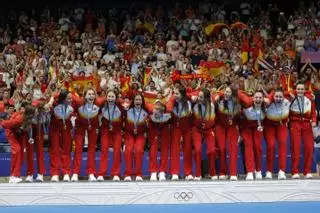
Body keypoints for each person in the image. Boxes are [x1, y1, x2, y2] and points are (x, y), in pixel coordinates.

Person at [215, 86, 251, 181]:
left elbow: (248, 102)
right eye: (225, 91)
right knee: (222, 148)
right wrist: (220, 94)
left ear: (233, 94)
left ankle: (233, 172)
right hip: (220, 126)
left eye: (228, 92)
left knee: (233, 149)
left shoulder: (238, 103)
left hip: (232, 126)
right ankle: (223, 172)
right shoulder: (220, 99)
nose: (225, 93)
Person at [71, 87, 105, 182]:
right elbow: (69, 94)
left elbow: (111, 97)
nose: (91, 96)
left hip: (93, 126)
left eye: (93, 94)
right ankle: (75, 173)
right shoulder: (79, 101)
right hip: (80, 126)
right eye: (89, 94)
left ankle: (91, 173)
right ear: (84, 96)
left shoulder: (98, 102)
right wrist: (52, 98)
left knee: (92, 150)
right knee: (78, 149)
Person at [1, 102, 36, 183]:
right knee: (17, 150)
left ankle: (14, 175)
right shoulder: (19, 118)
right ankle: (13, 176)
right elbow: (5, 124)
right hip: (12, 133)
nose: (33, 115)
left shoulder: (27, 117)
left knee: (20, 154)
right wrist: (3, 122)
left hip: (19, 134)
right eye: (32, 113)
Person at [289, 82, 317, 179]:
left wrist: (313, 121)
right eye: (298, 89)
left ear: (305, 90)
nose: (300, 91)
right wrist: (292, 92)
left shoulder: (309, 99)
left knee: (309, 147)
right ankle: (294, 171)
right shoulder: (291, 97)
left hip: (306, 124)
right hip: (295, 124)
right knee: (295, 147)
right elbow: (284, 92)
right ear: (295, 90)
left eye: (302, 89)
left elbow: (313, 113)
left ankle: (307, 171)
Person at [167, 87, 193, 180]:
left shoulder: (188, 103)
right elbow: (168, 110)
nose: (175, 95)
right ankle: (174, 172)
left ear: (182, 95)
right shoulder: (172, 102)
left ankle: (188, 173)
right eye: (174, 93)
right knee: (175, 149)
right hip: (175, 127)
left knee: (188, 149)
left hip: (186, 127)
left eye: (177, 93)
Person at [264, 88, 290, 180]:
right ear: (273, 96)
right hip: (269, 126)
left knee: (282, 144)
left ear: (283, 96)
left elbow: (294, 92)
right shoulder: (268, 101)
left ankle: (282, 171)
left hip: (281, 125)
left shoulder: (288, 100)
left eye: (280, 97)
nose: (278, 98)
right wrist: (270, 97)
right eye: (276, 96)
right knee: (270, 146)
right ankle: (269, 171)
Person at [97, 89, 123, 181]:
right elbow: (98, 117)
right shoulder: (102, 106)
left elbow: (124, 118)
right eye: (109, 96)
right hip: (105, 130)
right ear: (106, 97)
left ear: (115, 98)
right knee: (104, 150)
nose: (111, 98)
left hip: (117, 130)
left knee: (117, 152)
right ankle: (101, 174)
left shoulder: (120, 107)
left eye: (112, 97)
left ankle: (116, 173)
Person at [240, 90, 266, 180]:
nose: (258, 99)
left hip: (257, 128)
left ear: (263, 99)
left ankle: (258, 170)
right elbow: (238, 93)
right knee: (248, 147)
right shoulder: (246, 105)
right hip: (246, 128)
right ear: (252, 99)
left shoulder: (266, 106)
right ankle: (250, 171)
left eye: (260, 98)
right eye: (256, 97)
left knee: (258, 147)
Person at [192, 88, 216, 180]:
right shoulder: (194, 104)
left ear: (206, 98)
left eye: (201, 97)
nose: (199, 98)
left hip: (209, 130)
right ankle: (198, 174)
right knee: (197, 150)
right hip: (197, 129)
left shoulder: (212, 106)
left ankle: (212, 173)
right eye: (198, 96)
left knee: (212, 151)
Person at [50, 89, 74, 182]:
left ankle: (66, 172)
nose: (70, 100)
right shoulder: (54, 105)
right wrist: (52, 97)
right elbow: (52, 97)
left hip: (66, 129)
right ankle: (55, 173)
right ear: (63, 98)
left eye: (71, 98)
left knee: (66, 151)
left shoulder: (72, 106)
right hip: (55, 129)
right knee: (55, 151)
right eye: (68, 98)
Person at [124, 93, 148, 181]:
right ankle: (128, 174)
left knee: (139, 150)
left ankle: (138, 174)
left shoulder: (146, 113)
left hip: (140, 134)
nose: (138, 101)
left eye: (140, 100)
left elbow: (147, 125)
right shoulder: (127, 111)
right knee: (129, 150)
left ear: (142, 101)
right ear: (133, 101)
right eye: (136, 100)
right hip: (129, 134)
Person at [147, 99, 171, 181]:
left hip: (164, 133)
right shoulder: (150, 113)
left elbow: (170, 109)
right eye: (156, 105)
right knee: (153, 152)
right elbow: (148, 105)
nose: (158, 107)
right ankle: (153, 172)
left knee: (164, 152)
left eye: (160, 105)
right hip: (154, 134)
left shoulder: (167, 114)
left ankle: (162, 172)